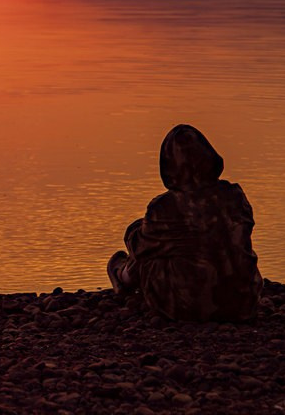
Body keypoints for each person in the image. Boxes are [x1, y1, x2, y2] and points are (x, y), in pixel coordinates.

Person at [107, 124, 262, 322]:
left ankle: (123, 277)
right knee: (170, 246)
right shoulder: (235, 196)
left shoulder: (165, 207)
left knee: (150, 255)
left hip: (192, 307)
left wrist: (133, 231)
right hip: (245, 302)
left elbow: (140, 248)